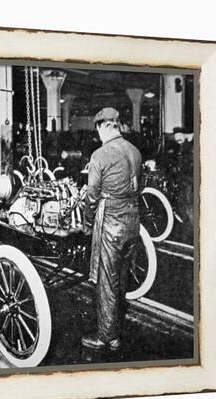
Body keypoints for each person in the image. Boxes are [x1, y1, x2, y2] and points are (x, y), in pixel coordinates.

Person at [82, 107, 142, 350]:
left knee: (107, 280)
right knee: (122, 276)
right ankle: (115, 328)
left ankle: (107, 337)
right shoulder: (134, 151)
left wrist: (87, 224)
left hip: (111, 222)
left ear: (101, 126)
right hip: (133, 220)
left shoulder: (100, 154)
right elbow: (139, 186)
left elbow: (92, 195)